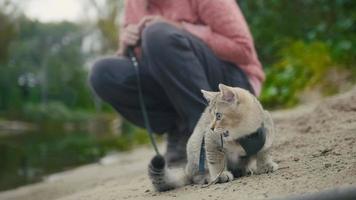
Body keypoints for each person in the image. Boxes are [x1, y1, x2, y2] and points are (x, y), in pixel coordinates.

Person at [89, 0, 265, 166]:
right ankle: (182, 131)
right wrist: (125, 45)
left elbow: (243, 49)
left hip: (232, 85)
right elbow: (143, 64)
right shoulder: (135, 3)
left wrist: (180, 29)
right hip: (180, 92)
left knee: (157, 34)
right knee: (103, 73)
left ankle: (219, 136)